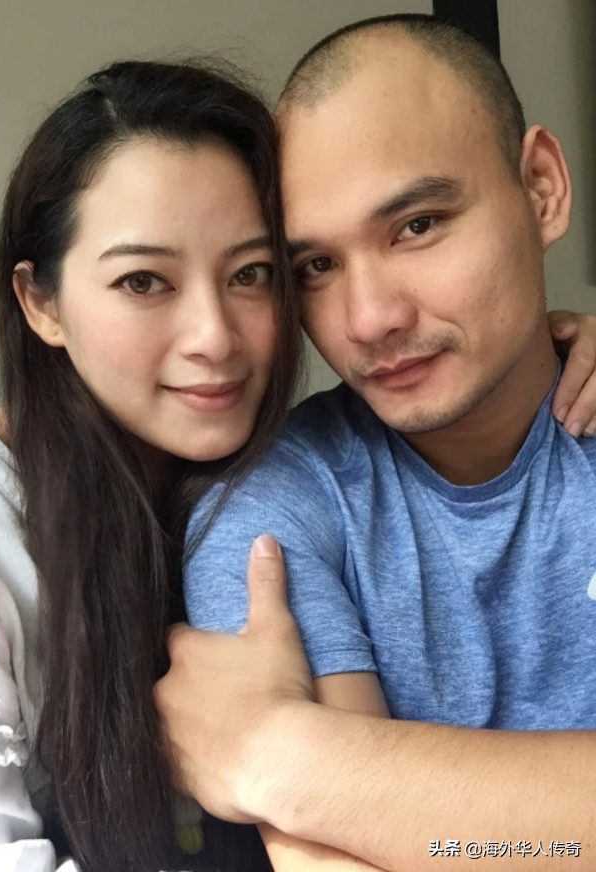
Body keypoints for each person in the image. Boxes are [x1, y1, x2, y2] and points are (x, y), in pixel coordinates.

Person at [155, 14, 596, 872]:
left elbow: (347, 814)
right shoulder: (271, 511)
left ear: (540, 187)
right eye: (315, 267)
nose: (368, 320)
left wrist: (278, 758)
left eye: (417, 225)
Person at [0, 58, 303, 872]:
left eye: (250, 274)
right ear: (40, 303)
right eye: (143, 281)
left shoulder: (296, 479)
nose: (214, 335)